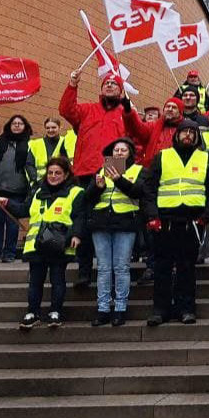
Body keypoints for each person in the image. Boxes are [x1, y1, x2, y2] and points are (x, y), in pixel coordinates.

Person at [60, 70, 133, 287]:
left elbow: (135, 134)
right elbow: (66, 110)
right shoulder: (88, 109)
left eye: (114, 83)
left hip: (112, 169)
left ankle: (108, 270)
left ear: (121, 91)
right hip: (85, 170)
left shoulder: (125, 112)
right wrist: (72, 84)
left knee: (108, 221)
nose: (109, 85)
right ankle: (84, 271)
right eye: (106, 83)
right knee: (83, 221)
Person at [141, 120, 209, 326]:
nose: (188, 136)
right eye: (184, 132)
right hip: (164, 222)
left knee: (187, 269)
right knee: (162, 268)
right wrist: (152, 216)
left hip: (191, 223)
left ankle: (187, 309)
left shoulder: (204, 158)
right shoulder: (162, 157)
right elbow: (149, 189)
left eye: (192, 133)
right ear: (176, 135)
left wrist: (206, 217)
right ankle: (160, 310)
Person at [0, 156, 84, 330]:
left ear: (66, 174)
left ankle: (55, 311)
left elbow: (79, 217)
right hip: (36, 245)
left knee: (57, 280)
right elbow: (24, 210)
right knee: (35, 281)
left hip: (60, 244)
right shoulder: (38, 192)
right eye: (50, 172)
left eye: (58, 173)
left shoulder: (76, 192)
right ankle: (32, 312)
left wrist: (76, 235)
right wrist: (6, 203)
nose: (53, 176)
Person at [81, 138, 143, 326]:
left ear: (130, 153)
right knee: (103, 268)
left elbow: (138, 192)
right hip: (102, 224)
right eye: (116, 150)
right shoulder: (102, 171)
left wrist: (119, 179)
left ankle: (120, 308)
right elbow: (87, 198)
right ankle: (103, 308)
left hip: (125, 223)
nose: (119, 153)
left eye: (123, 150)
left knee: (121, 267)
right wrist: (96, 187)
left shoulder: (137, 170)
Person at [0, 115, 34, 263]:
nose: (17, 125)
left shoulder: (30, 145)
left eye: (20, 123)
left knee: (12, 222)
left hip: (18, 189)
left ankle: (9, 253)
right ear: (9, 125)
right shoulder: (0, 141)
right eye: (14, 123)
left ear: (25, 126)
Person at [28, 118, 75, 183]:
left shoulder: (65, 143)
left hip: (59, 182)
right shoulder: (35, 144)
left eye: (53, 127)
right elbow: (29, 164)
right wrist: (36, 179)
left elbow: (68, 164)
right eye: (48, 128)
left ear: (60, 127)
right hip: (39, 183)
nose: (50, 130)